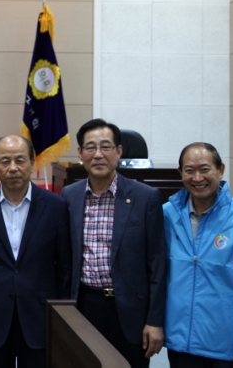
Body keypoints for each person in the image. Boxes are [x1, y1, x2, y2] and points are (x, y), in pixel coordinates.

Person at [63, 119, 166, 368]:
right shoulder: (69, 195)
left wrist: (155, 320)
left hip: (130, 310)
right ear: (80, 153)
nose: (98, 154)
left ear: (119, 151)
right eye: (90, 147)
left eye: (106, 147)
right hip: (84, 305)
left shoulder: (145, 197)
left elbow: (158, 263)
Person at [164, 142, 233, 368]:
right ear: (180, 173)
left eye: (204, 169)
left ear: (220, 170)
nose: (197, 178)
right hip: (179, 341)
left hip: (226, 345)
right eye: (189, 170)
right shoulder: (166, 215)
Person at [0, 134, 71, 368]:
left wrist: (62, 320)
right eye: (5, 161)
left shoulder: (56, 206)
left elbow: (64, 268)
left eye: (20, 160)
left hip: (40, 317)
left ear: (32, 163)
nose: (13, 168)